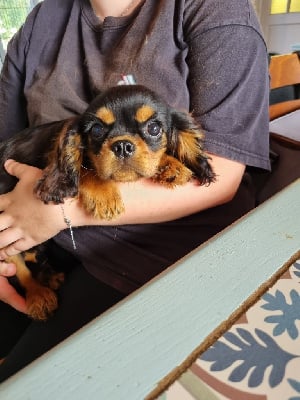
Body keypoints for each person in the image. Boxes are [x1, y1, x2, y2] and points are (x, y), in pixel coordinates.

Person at [0, 0, 270, 381]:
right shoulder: (41, 20)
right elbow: (7, 152)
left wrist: (61, 210)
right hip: (41, 246)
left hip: (158, 253)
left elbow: (219, 174)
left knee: (27, 382)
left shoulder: (214, 9)